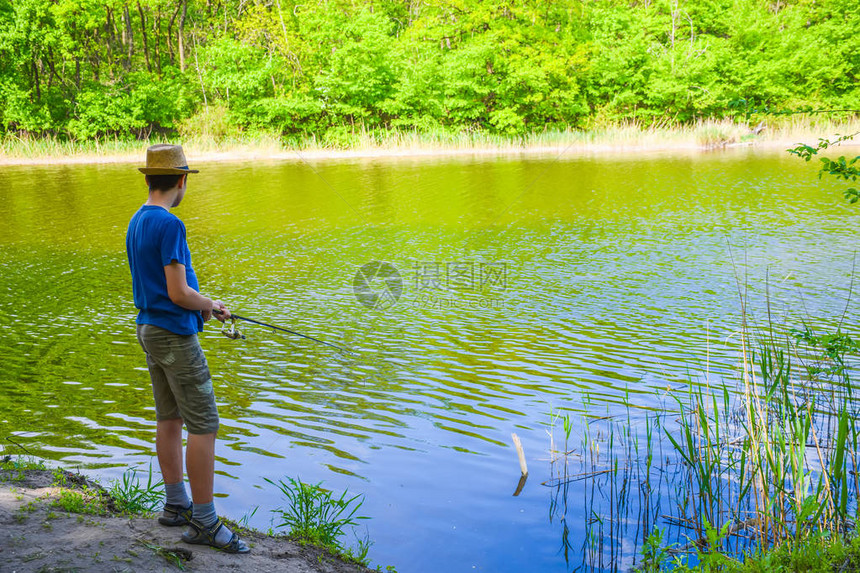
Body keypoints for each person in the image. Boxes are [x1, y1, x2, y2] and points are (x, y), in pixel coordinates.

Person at [126, 144, 249, 554]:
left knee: (170, 417)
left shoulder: (136, 220)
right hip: (174, 334)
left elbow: (163, 289)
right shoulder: (170, 225)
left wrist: (204, 304)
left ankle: (175, 504)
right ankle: (204, 520)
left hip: (148, 328)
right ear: (181, 181)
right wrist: (211, 305)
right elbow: (179, 293)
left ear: (147, 179)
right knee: (204, 424)